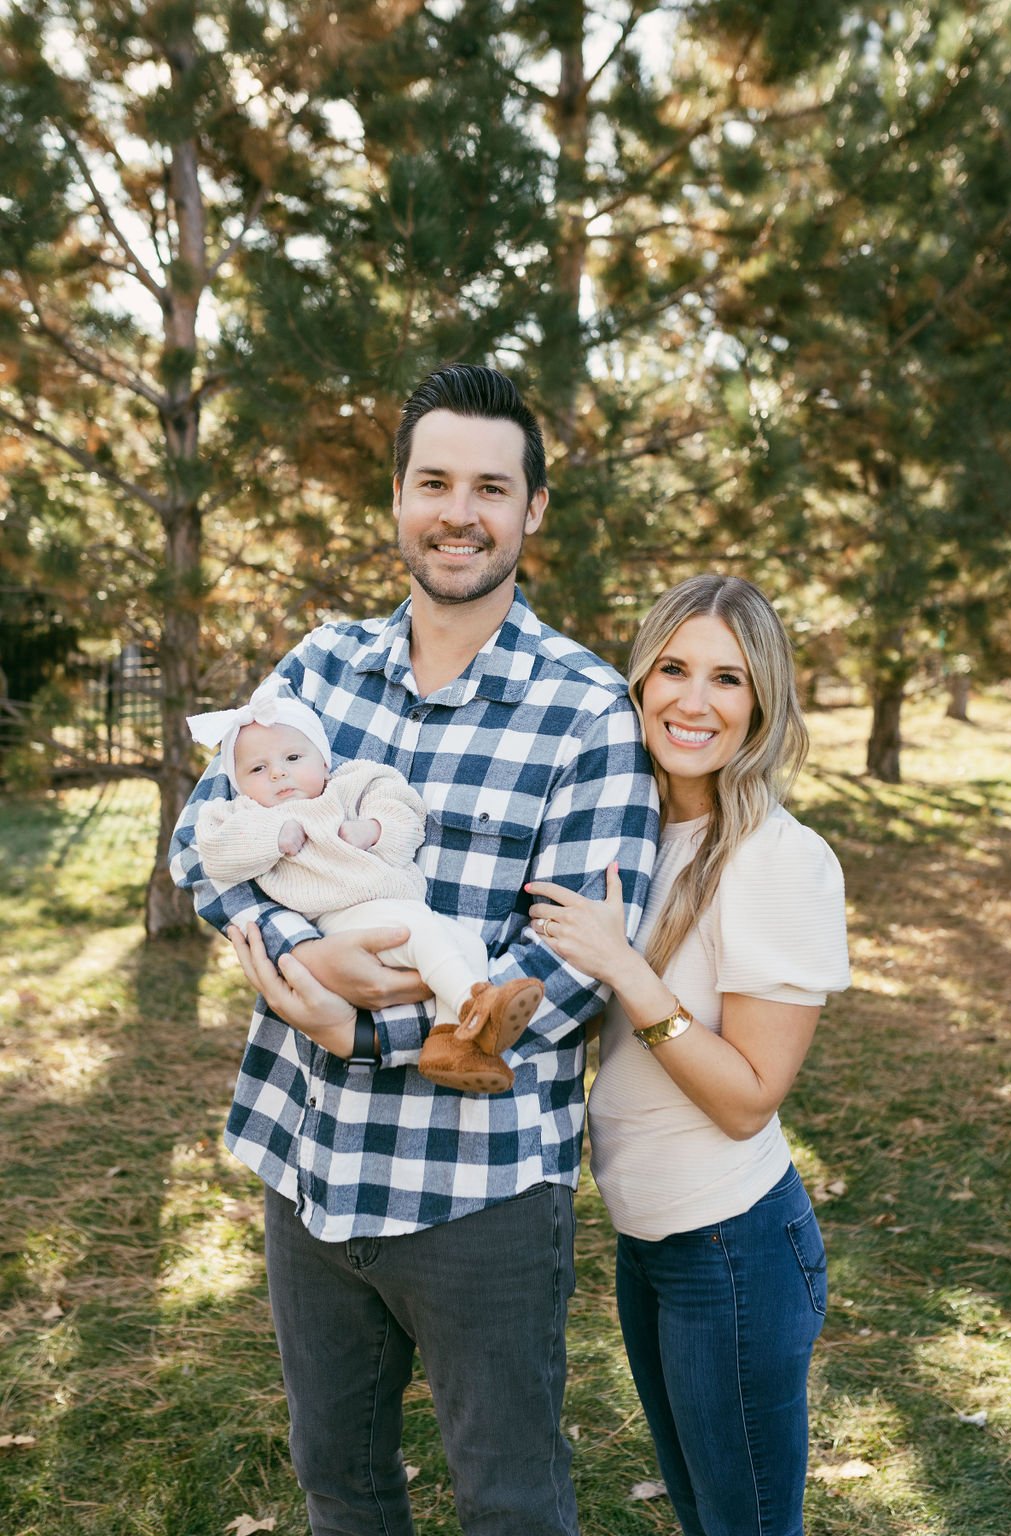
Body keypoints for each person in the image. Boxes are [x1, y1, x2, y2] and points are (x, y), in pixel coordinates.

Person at [169, 363, 660, 1536]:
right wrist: (304, 963)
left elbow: (576, 961)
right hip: (310, 1162)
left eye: (491, 487)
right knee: (339, 1483)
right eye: (433, 481)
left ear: (532, 511)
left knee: (511, 1499)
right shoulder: (316, 670)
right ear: (395, 497)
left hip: (478, 1190)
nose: (460, 511)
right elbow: (205, 838)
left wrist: (368, 1025)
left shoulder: (587, 710)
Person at [525, 574, 850, 1536]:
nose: (692, 702)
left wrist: (629, 971)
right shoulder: (635, 831)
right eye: (672, 668)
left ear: (762, 705)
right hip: (648, 1243)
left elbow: (749, 1098)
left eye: (727, 680)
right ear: (638, 678)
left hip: (734, 1248)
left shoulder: (780, 859)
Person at [186, 680, 545, 1093]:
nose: (278, 772)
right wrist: (272, 837)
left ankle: (450, 1044)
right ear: (239, 785)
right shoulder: (244, 814)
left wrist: (373, 829)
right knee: (422, 935)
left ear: (324, 761)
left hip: (398, 905)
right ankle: (475, 1005)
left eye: (292, 757)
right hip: (343, 919)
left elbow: (406, 811)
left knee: (470, 945)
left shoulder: (351, 785)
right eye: (257, 769)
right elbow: (213, 853)